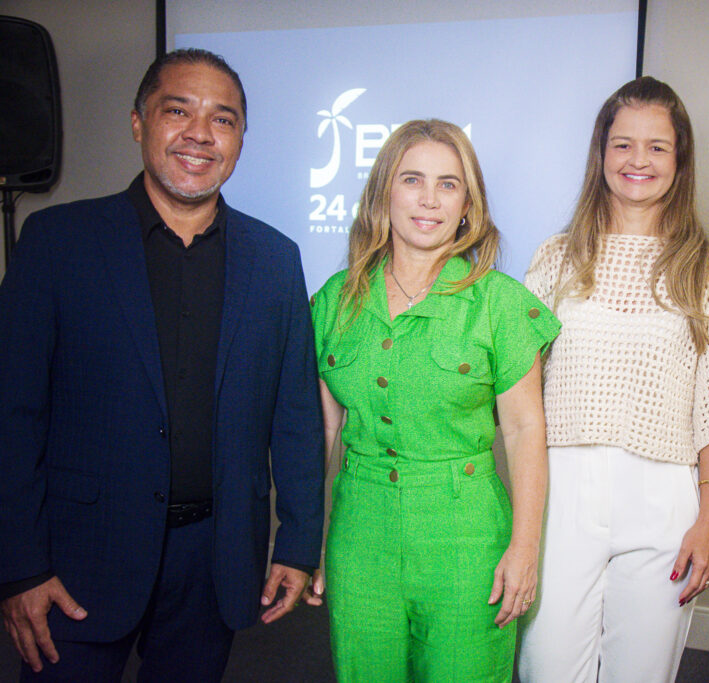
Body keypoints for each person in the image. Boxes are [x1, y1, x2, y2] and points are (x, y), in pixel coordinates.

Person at [0, 48, 324, 682]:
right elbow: (13, 411)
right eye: (178, 110)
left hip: (217, 560)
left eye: (223, 119)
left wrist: (296, 543)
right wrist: (20, 566)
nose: (200, 134)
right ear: (138, 122)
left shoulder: (275, 259)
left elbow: (295, 418)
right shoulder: (56, 242)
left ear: (240, 140)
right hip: (75, 560)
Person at [518, 76, 709, 683]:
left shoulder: (708, 270)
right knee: (547, 668)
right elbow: (520, 394)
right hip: (562, 490)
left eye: (657, 147)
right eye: (623, 144)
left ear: (679, 161)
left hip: (664, 496)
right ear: (601, 154)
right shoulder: (555, 259)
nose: (639, 160)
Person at [304, 119, 558, 682]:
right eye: (412, 179)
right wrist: (314, 543)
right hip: (359, 535)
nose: (428, 199)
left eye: (448, 184)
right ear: (383, 193)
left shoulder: (500, 304)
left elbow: (523, 432)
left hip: (466, 539)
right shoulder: (332, 303)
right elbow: (326, 438)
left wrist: (525, 550)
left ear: (469, 203)